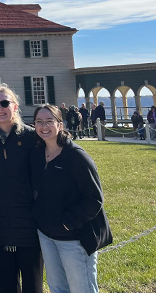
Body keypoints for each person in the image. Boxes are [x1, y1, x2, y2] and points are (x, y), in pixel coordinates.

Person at [30, 104, 112, 293]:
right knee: (58, 288)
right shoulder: (36, 154)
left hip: (74, 237)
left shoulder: (76, 157)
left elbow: (95, 199)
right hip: (46, 235)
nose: (44, 126)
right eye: (39, 122)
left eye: (49, 121)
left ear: (60, 124)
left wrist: (68, 223)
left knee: (82, 288)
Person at [0, 84, 43, 293]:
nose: (0, 108)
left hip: (29, 220)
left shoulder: (31, 138)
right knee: (3, 283)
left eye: (5, 103)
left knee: (32, 284)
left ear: (15, 106)